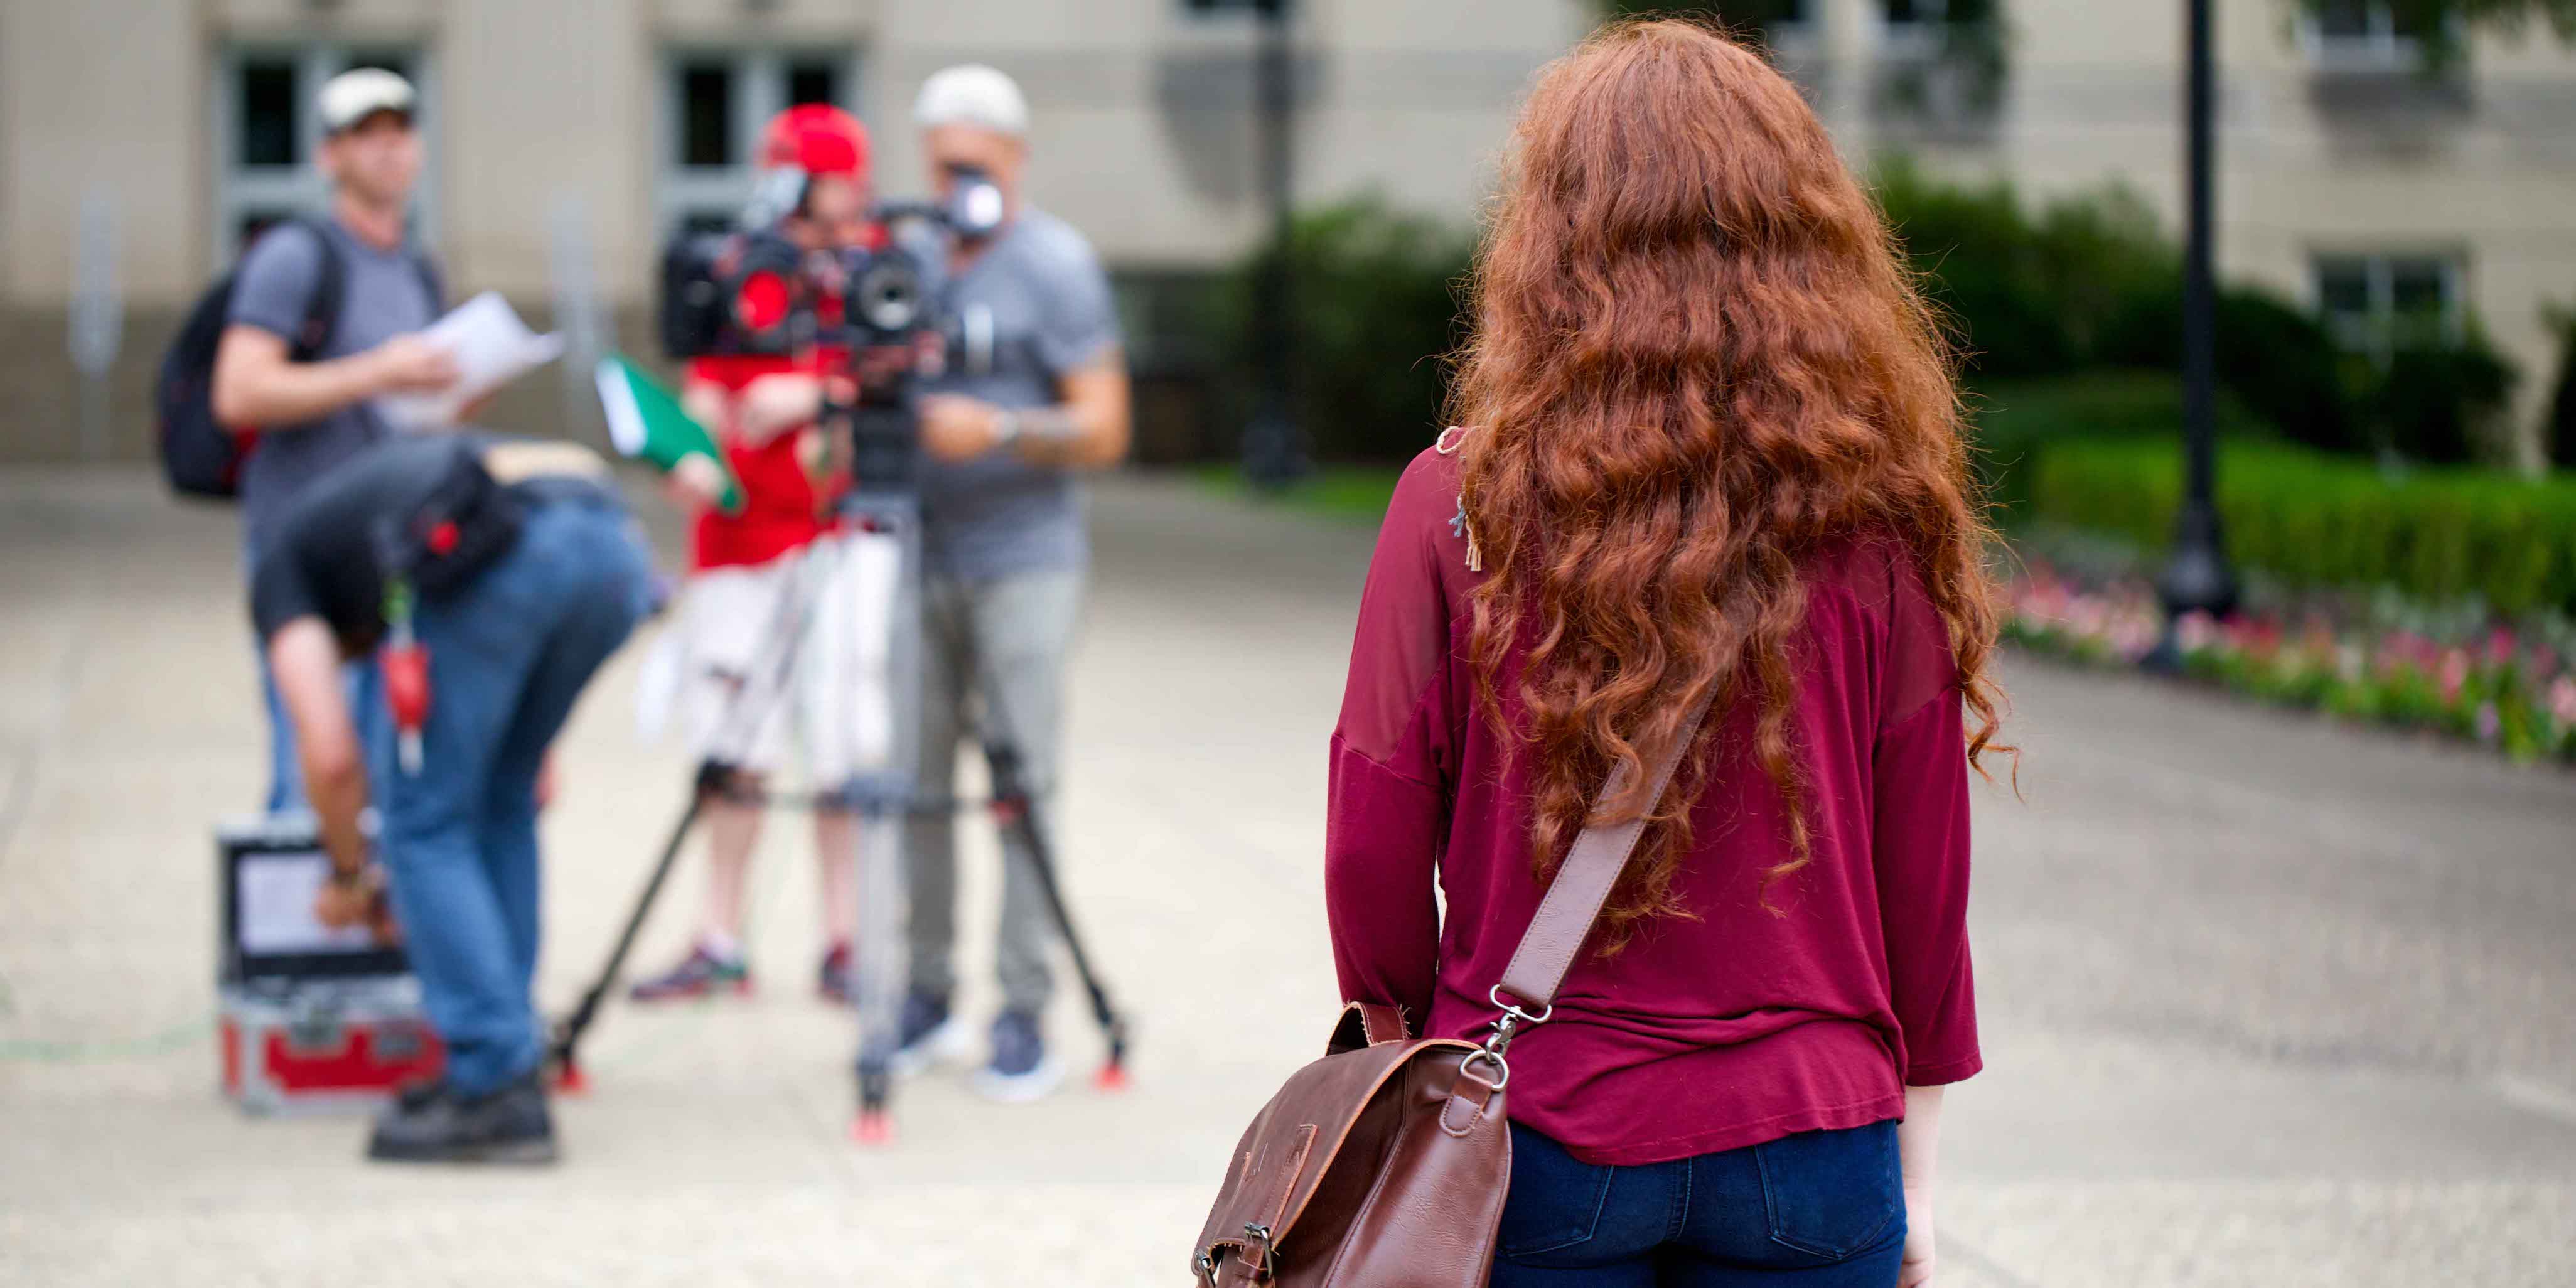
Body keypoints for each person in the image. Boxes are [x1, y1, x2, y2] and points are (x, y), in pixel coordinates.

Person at [1323, 21, 2005, 1288]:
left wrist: (1411, 1033)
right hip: (1818, 1134)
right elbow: (1927, 867)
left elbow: (1371, 835)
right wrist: (1913, 1165)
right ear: (1805, 238)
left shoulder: (1455, 506)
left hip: (1537, 1134)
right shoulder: (1880, 518)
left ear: (1552, 241)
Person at [258, 432, 653, 1164]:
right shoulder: (372, 513)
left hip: (513, 546)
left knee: (424, 822)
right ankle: (510, 1045)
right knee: (499, 802)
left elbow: (332, 754)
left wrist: (350, 876)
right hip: (615, 545)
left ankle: (493, 1080)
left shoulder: (284, 574)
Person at [887, 64, 1131, 1102]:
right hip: (913, 553)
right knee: (913, 781)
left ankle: (1022, 1005)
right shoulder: (903, 257)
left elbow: (1105, 425)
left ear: (1015, 159)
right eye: (939, 165)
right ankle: (925, 989)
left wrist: (997, 428)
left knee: (1020, 785)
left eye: (973, 166)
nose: (955, 186)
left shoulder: (1055, 266)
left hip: (1023, 559)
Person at [628, 105, 878, 1006]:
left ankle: (845, 940)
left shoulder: (870, 269)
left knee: (847, 744)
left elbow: (896, 370)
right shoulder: (739, 270)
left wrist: (808, 394)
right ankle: (720, 935)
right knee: (733, 749)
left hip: (837, 540)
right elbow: (703, 385)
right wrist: (687, 450)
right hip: (738, 542)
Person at [212, 67, 456, 814]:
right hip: (307, 554)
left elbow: (413, 413)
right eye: (366, 137)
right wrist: (373, 372)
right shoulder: (296, 256)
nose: (387, 152)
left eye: (399, 134)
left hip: (395, 552)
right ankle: (300, 925)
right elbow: (240, 391)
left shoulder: (417, 269)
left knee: (395, 774)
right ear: (330, 156)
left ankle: (373, 923)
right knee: (315, 775)